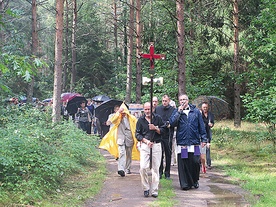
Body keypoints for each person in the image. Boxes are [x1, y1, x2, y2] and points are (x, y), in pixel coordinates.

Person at [169, 94, 207, 190]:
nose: (182, 101)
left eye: (184, 99)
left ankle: (195, 180)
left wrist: (204, 139)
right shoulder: (176, 112)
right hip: (183, 143)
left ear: (188, 100)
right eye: (181, 100)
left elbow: (201, 125)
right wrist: (178, 112)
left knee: (195, 161)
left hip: (195, 142)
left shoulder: (196, 112)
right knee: (184, 162)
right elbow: (172, 123)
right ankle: (185, 184)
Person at [99, 103, 140, 176]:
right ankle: (121, 169)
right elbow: (109, 123)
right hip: (120, 137)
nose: (123, 113)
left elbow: (136, 125)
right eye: (117, 110)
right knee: (121, 153)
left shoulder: (131, 118)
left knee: (129, 154)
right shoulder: (115, 116)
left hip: (129, 137)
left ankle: (127, 168)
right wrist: (118, 113)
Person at [135, 102, 166, 198]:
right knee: (143, 167)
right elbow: (137, 134)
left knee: (156, 168)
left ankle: (154, 190)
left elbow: (164, 130)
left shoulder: (158, 118)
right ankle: (146, 188)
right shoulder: (140, 120)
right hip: (145, 145)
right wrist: (145, 141)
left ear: (152, 109)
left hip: (156, 145)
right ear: (143, 110)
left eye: (149, 109)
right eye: (146, 109)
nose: (147, 111)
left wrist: (155, 128)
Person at [155, 95, 175, 179]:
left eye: (166, 101)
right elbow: (155, 119)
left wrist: (169, 124)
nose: (164, 102)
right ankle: (160, 172)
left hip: (168, 135)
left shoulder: (173, 110)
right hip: (159, 134)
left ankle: (167, 173)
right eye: (163, 100)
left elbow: (174, 121)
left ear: (169, 101)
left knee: (168, 154)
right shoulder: (158, 109)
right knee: (160, 154)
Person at [200, 102, 214, 170]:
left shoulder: (210, 114)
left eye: (206, 107)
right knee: (201, 149)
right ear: (202, 108)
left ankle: (208, 164)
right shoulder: (199, 114)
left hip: (208, 133)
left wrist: (211, 124)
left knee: (208, 148)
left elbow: (212, 122)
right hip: (201, 134)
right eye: (203, 107)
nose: (205, 108)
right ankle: (200, 163)